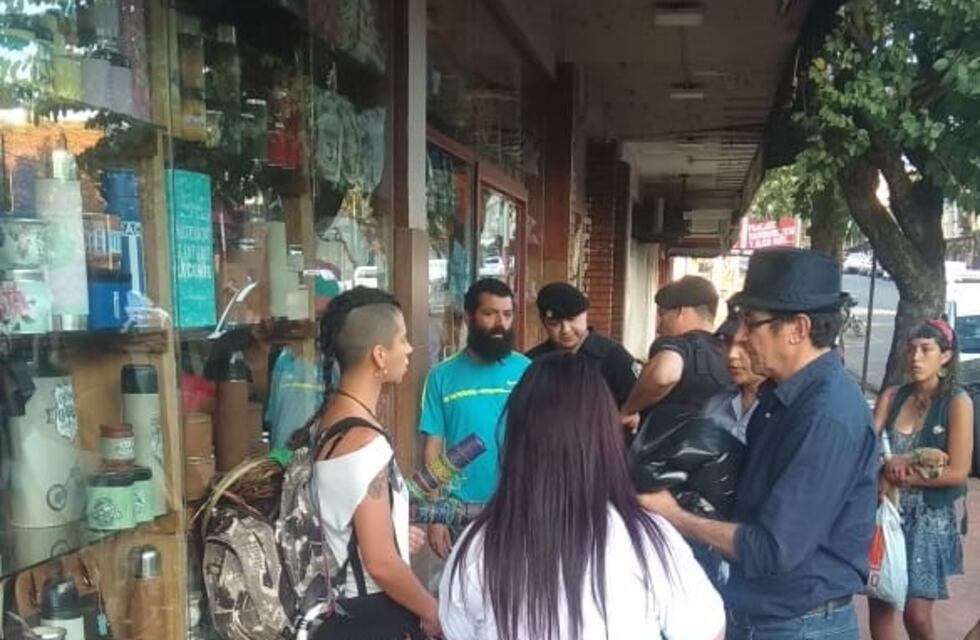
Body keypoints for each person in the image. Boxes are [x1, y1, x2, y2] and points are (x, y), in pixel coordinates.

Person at [641, 247, 879, 640]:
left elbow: (771, 549)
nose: (741, 338)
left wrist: (673, 514)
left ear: (798, 329)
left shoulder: (826, 416)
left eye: (752, 323)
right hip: (759, 614)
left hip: (800, 626)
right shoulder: (780, 397)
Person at [439, 352, 725, 640]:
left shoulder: (477, 547)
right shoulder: (647, 540)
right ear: (602, 438)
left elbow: (458, 631)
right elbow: (707, 630)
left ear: (517, 441)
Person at [311, 287, 438, 639]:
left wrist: (395, 530)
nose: (410, 349)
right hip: (369, 617)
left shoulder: (327, 422)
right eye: (403, 340)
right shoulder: (365, 444)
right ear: (379, 355)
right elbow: (380, 563)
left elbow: (345, 517)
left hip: (337, 614)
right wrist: (431, 610)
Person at [868, 319, 974, 640]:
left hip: (930, 517)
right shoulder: (892, 396)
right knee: (882, 601)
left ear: (944, 356)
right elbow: (867, 446)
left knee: (916, 613)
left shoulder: (957, 401)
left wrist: (904, 475)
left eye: (925, 350)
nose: (915, 357)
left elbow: (957, 470)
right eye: (911, 349)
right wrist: (880, 470)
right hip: (887, 513)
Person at [420, 278, 531, 559]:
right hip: (461, 513)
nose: (500, 324)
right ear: (469, 317)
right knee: (467, 597)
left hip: (518, 507)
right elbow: (433, 449)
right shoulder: (441, 377)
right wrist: (435, 515)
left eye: (507, 315)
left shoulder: (527, 370)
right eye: (489, 313)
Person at [622, 275, 731, 434]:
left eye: (663, 315)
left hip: (668, 452)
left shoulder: (678, 345)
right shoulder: (731, 352)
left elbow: (663, 375)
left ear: (680, 311)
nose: (659, 327)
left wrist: (628, 410)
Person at [525, 281, 639, 421]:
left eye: (571, 320)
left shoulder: (613, 356)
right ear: (543, 322)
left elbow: (637, 405)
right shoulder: (533, 361)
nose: (565, 330)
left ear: (585, 315)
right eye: (554, 324)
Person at [702, 311, 766, 444]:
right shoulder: (715, 404)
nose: (732, 354)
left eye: (744, 345)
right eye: (727, 343)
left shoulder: (782, 409)